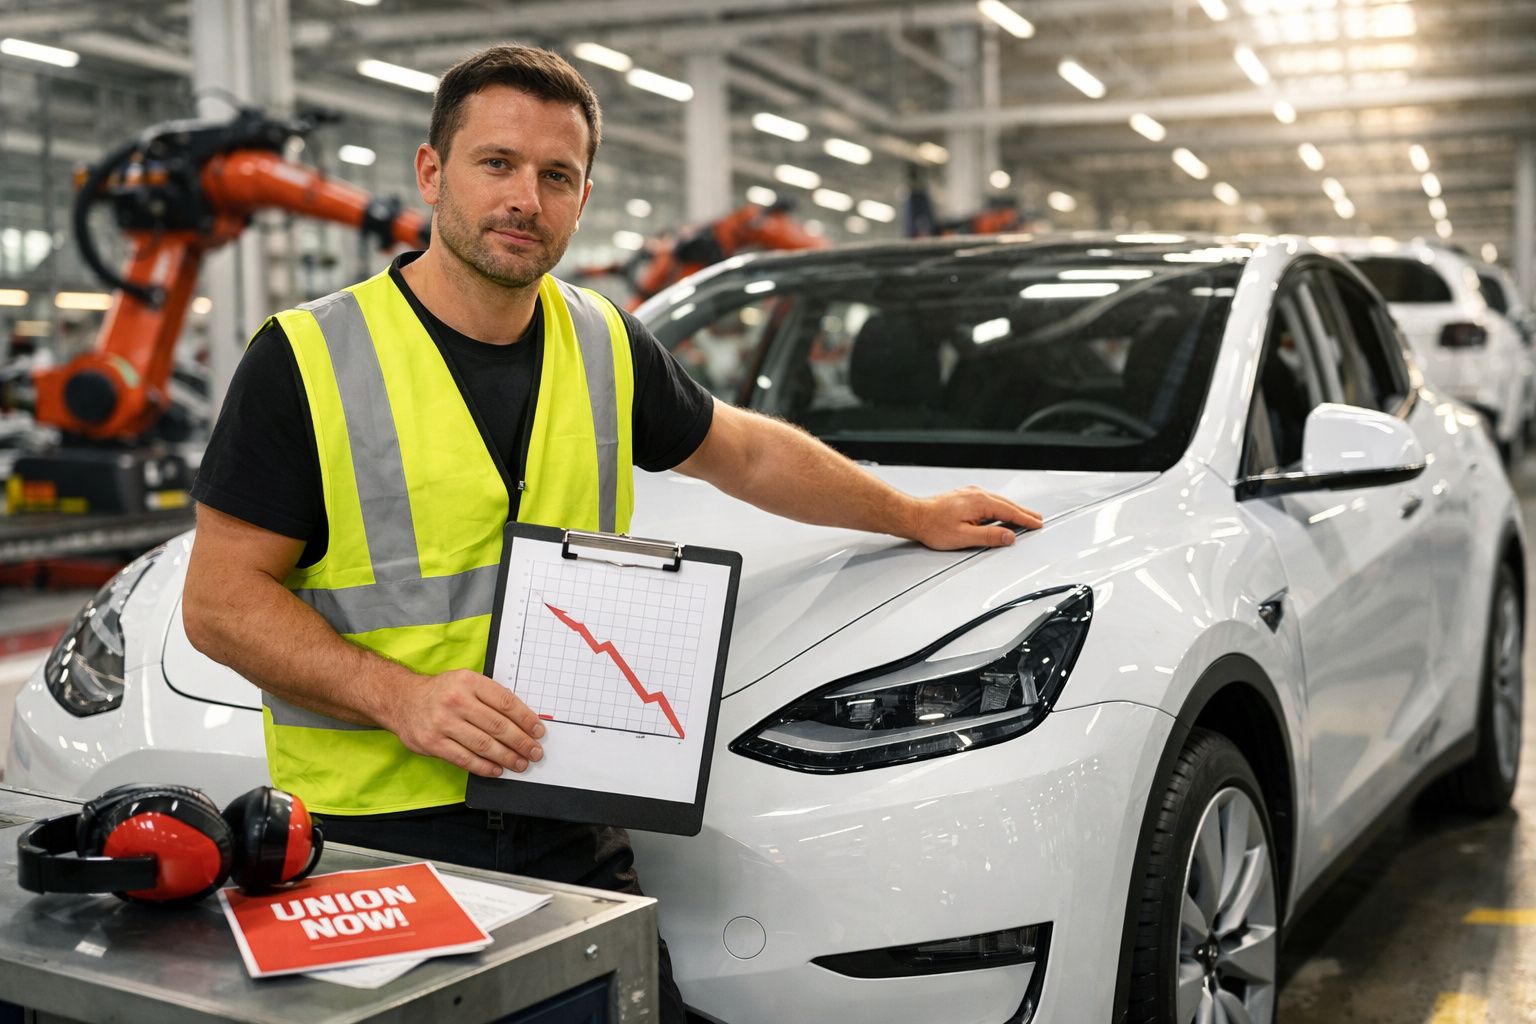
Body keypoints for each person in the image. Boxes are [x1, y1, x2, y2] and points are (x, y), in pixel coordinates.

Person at [182, 43, 1042, 1022]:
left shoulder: (599, 338)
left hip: (566, 819)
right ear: (432, 173)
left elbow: (746, 452)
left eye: (557, 177)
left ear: (582, 198)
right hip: (374, 841)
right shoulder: (308, 357)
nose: (526, 199)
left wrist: (912, 513)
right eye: (496, 164)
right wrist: (399, 696)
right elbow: (219, 603)